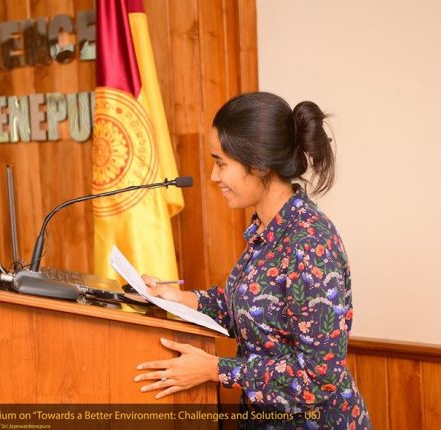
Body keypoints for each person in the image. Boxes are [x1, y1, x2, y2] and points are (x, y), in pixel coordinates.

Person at [133, 92, 372, 429]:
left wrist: (216, 369)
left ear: (259, 165)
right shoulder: (265, 228)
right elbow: (254, 313)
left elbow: (318, 378)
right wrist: (180, 298)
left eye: (221, 163)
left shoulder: (309, 241)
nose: (214, 177)